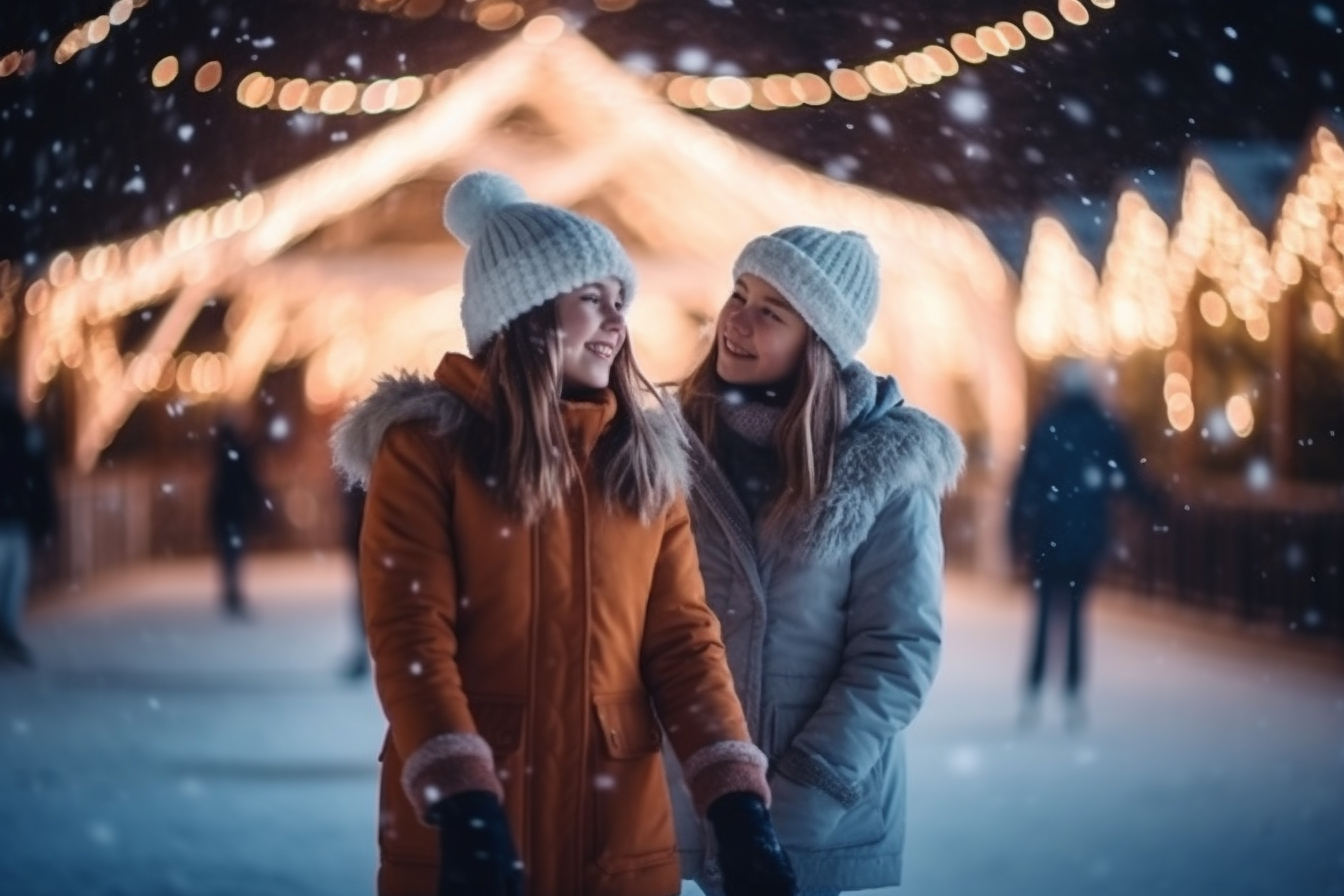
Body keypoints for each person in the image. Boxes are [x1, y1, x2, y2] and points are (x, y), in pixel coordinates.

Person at [330, 171, 797, 896]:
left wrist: (735, 796)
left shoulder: (642, 460)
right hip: (472, 826)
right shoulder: (428, 450)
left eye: (621, 302)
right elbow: (412, 636)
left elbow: (682, 639)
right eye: (592, 300)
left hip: (614, 833)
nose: (617, 322)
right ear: (524, 309)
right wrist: (463, 795)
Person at [668, 226, 965, 896]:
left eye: (770, 312)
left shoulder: (884, 466)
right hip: (682, 791)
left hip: (816, 802)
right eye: (738, 294)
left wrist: (801, 792)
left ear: (819, 343)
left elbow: (897, 650)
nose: (736, 321)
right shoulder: (666, 444)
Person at [1008, 358, 1162, 730]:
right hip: (1087, 536)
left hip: (1048, 536)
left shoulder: (1048, 425)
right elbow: (1128, 477)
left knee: (1045, 613)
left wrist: (1016, 534)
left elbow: (1026, 483)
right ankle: (1073, 694)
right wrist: (1159, 502)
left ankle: (1033, 691)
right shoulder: (1104, 427)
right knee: (1076, 615)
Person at [0, 382, 57, 668]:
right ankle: (7, 633)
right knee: (10, 581)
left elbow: (39, 479)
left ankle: (8, 633)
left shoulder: (26, 433)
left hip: (16, 519)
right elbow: (39, 480)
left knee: (13, 581)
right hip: (14, 517)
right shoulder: (26, 433)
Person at [207, 418, 264, 619]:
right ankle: (232, 590)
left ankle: (231, 590)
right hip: (235, 509)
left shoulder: (220, 453)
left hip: (226, 510)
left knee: (229, 553)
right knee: (234, 552)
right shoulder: (239, 452)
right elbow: (250, 480)